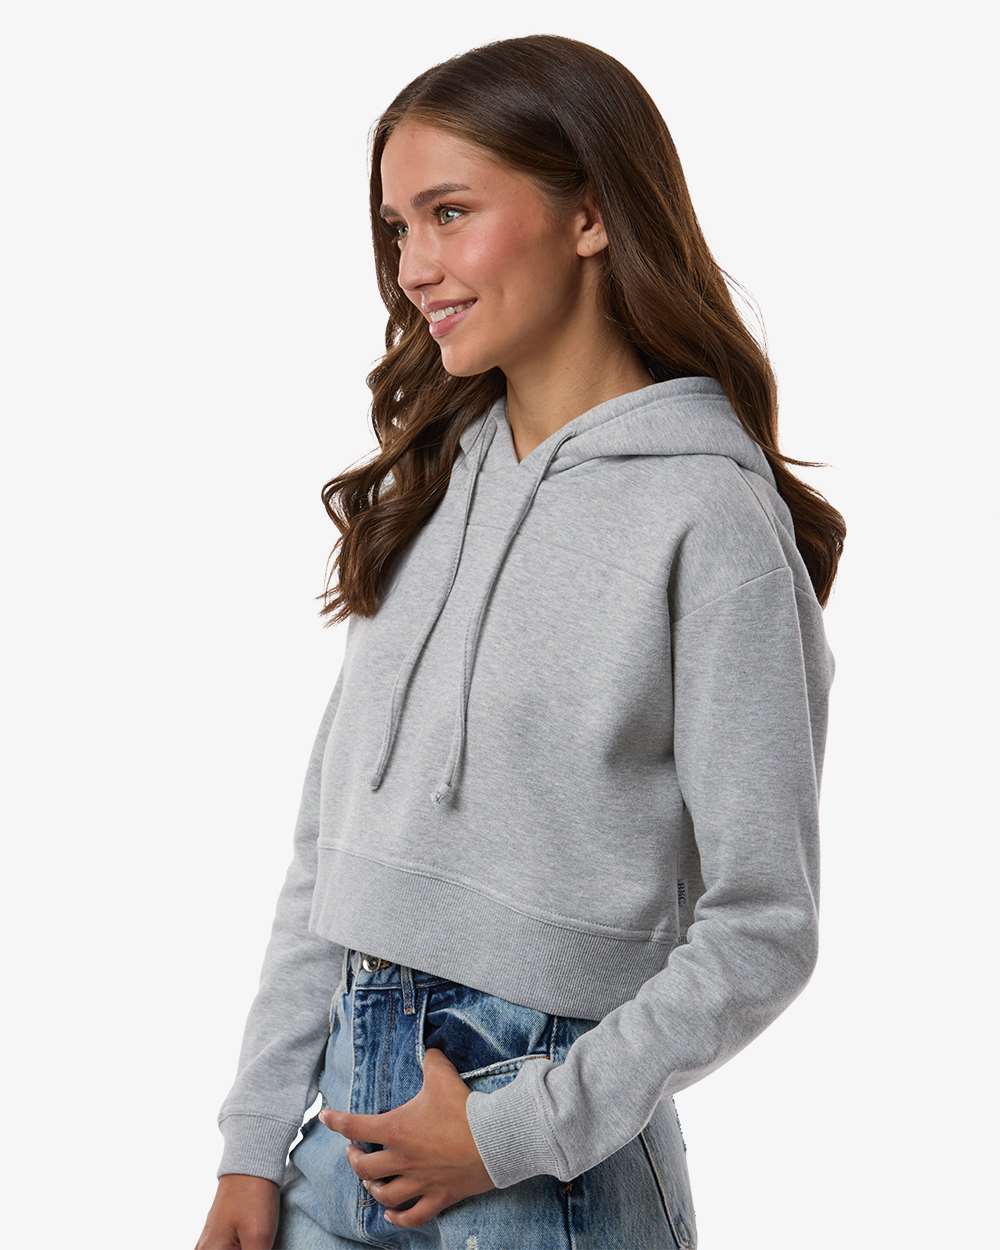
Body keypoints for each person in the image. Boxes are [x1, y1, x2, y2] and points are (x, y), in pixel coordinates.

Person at [195, 32, 844, 1250]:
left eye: (450, 214)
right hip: (334, 1138)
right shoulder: (433, 488)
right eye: (397, 227)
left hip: (549, 1160)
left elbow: (764, 924)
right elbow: (330, 852)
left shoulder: (707, 514)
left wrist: (511, 1131)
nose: (413, 268)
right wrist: (251, 1139)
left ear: (589, 215)